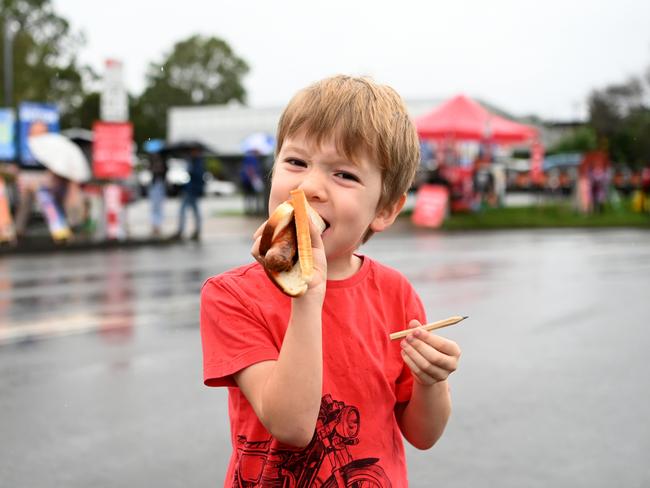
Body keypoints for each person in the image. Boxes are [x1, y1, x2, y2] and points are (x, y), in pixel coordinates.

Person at [200, 75, 462, 486]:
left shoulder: (395, 293)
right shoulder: (232, 295)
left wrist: (433, 381)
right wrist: (304, 291)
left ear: (386, 210)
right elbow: (291, 426)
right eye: (296, 162)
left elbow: (423, 435)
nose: (307, 188)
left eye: (344, 174)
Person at [174, 148, 205, 241]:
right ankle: (195, 230)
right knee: (193, 211)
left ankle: (183, 230)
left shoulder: (198, 163)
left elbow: (197, 176)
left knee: (184, 210)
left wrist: (190, 170)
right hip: (190, 189)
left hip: (193, 190)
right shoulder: (193, 161)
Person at [148, 153, 168, 237]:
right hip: (155, 186)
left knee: (159, 208)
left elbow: (164, 173)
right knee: (154, 208)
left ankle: (158, 226)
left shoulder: (164, 165)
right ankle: (154, 226)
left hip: (159, 186)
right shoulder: (152, 164)